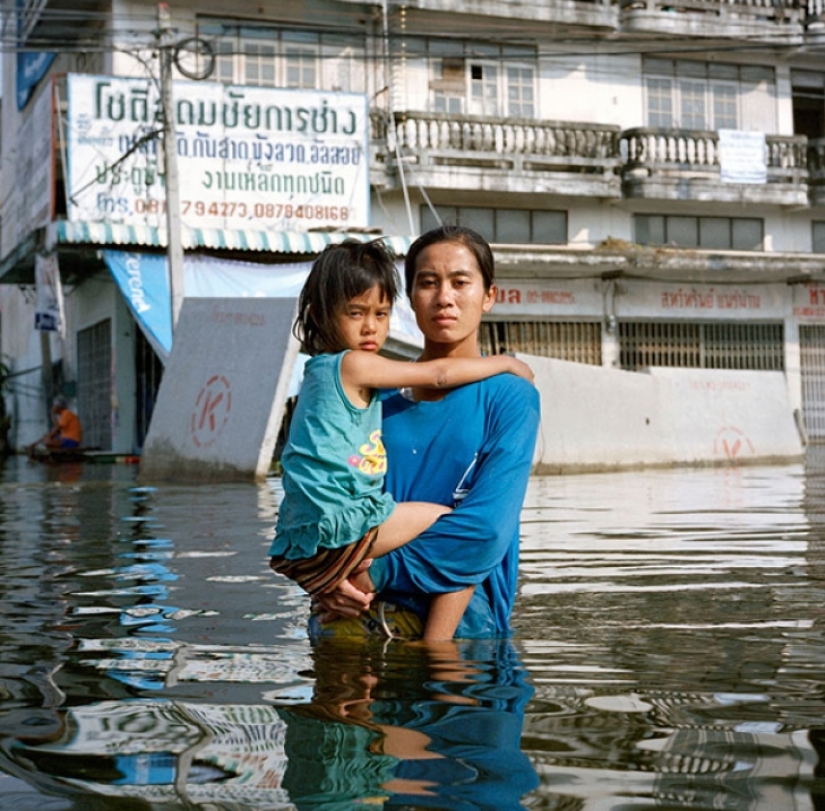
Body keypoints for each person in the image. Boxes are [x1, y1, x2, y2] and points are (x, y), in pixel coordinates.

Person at [269, 239, 534, 641]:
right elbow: (324, 498)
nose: (444, 297)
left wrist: (371, 573)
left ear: (489, 296)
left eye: (460, 282)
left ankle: (435, 644)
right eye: (428, 282)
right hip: (349, 618)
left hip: (464, 633)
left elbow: (486, 532)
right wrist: (327, 585)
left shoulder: (510, 397)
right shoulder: (374, 399)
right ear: (409, 297)